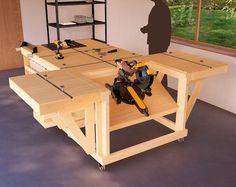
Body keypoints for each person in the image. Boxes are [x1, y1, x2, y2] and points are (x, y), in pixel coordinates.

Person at [140, 0, 171, 87]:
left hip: (157, 42)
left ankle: (161, 87)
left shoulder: (159, 8)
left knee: (158, 66)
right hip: (160, 42)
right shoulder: (162, 7)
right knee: (158, 65)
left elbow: (153, 25)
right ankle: (160, 86)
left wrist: (144, 29)